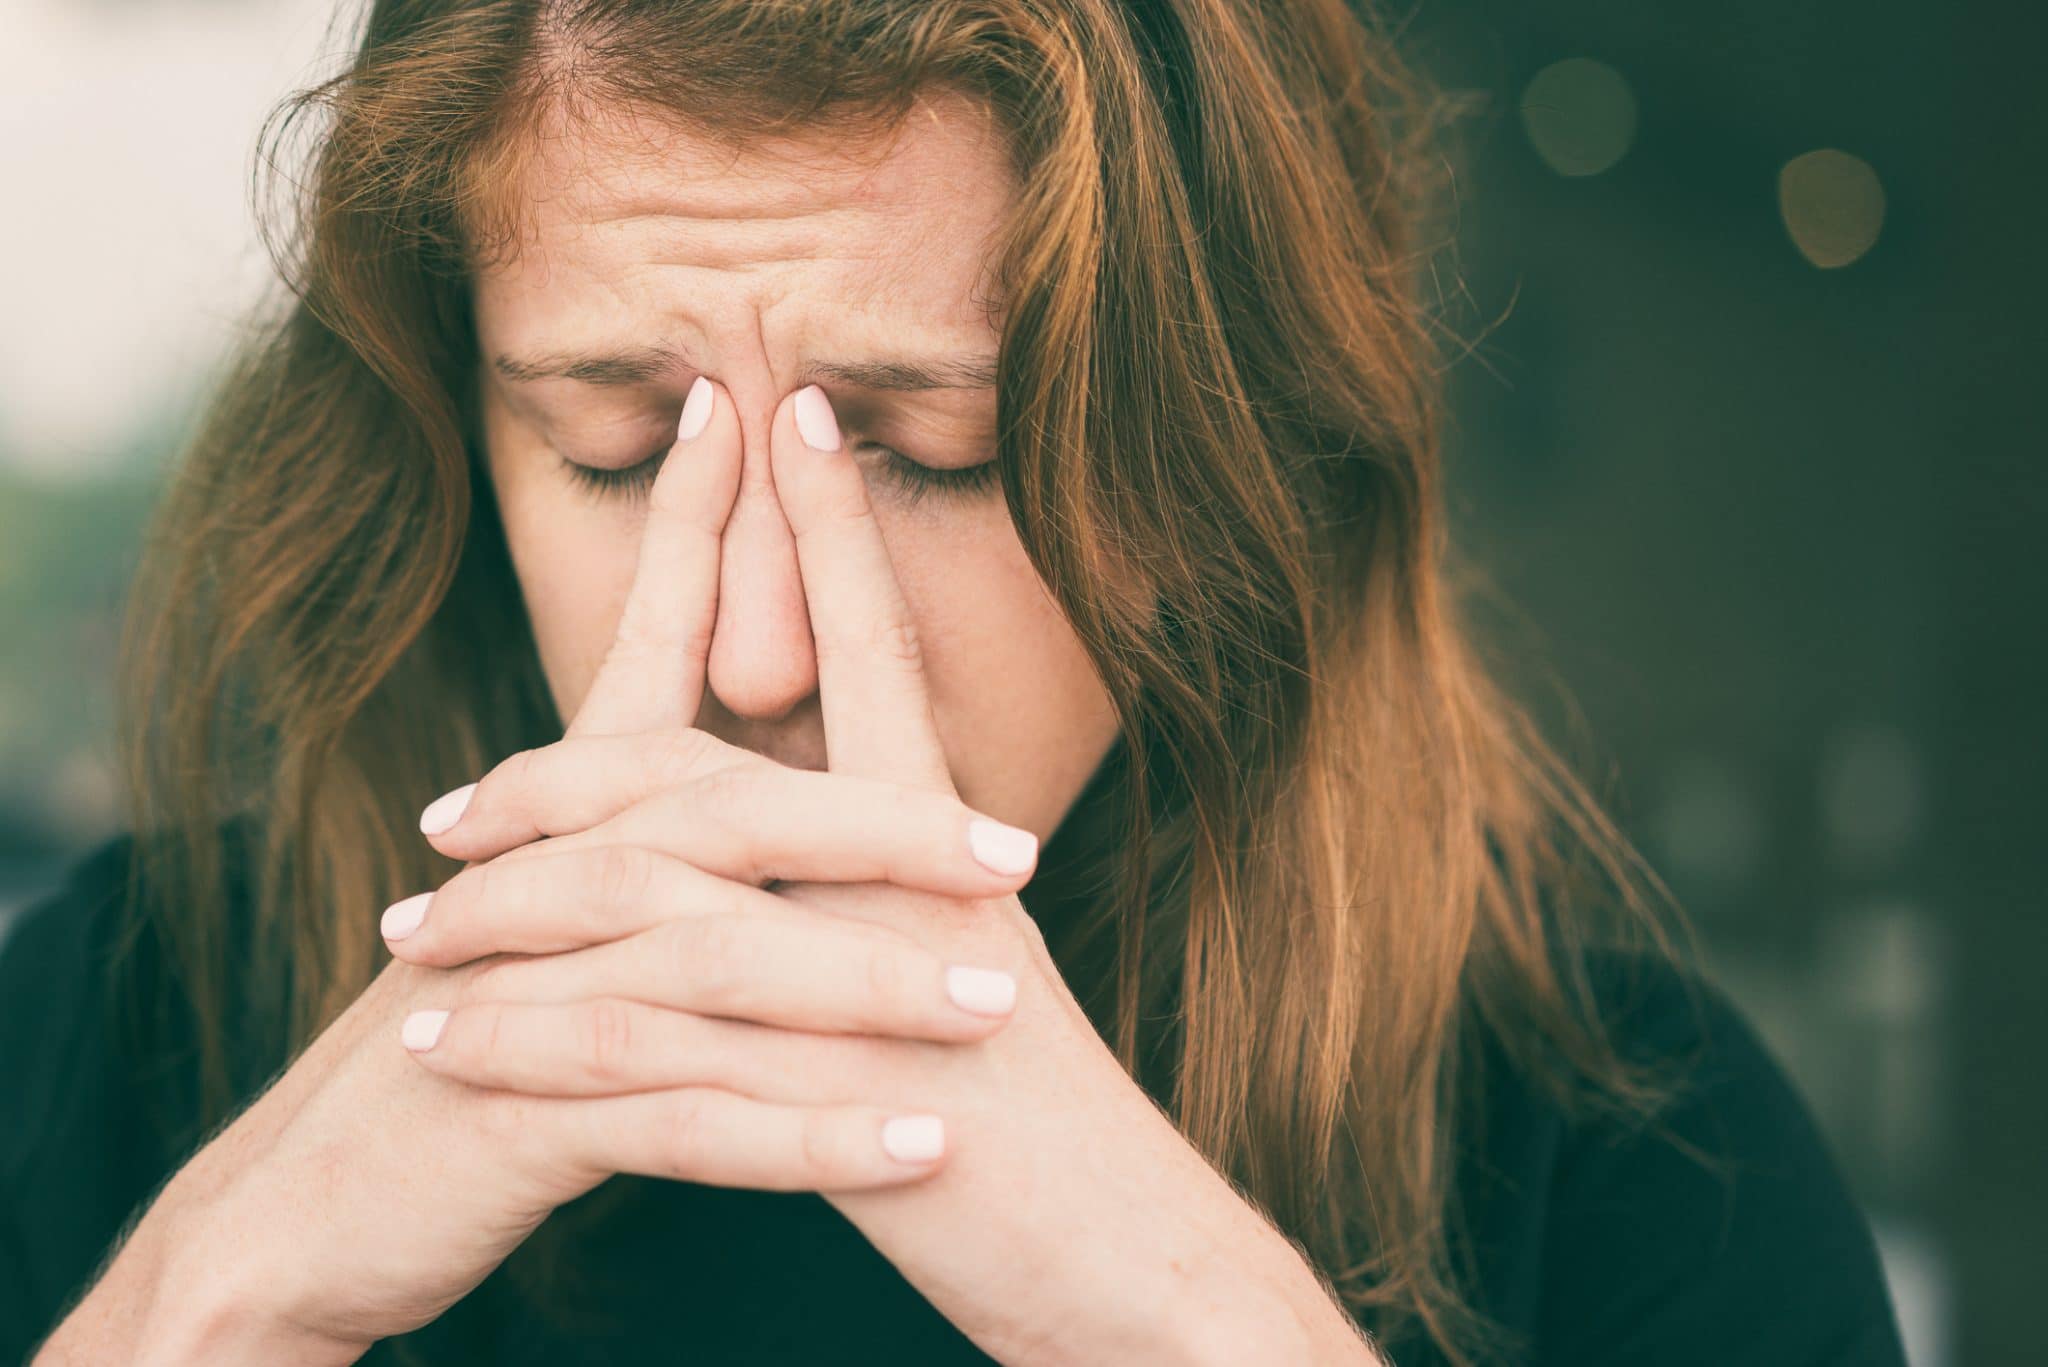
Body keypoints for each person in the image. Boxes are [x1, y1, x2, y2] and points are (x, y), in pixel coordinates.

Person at [1, 1, 1908, 1363]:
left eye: (934, 451)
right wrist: (216, 1312)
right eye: (614, 443)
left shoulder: (1635, 1173)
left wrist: (1199, 1332)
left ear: (1229, 465)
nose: (757, 649)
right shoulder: (111, 1033)